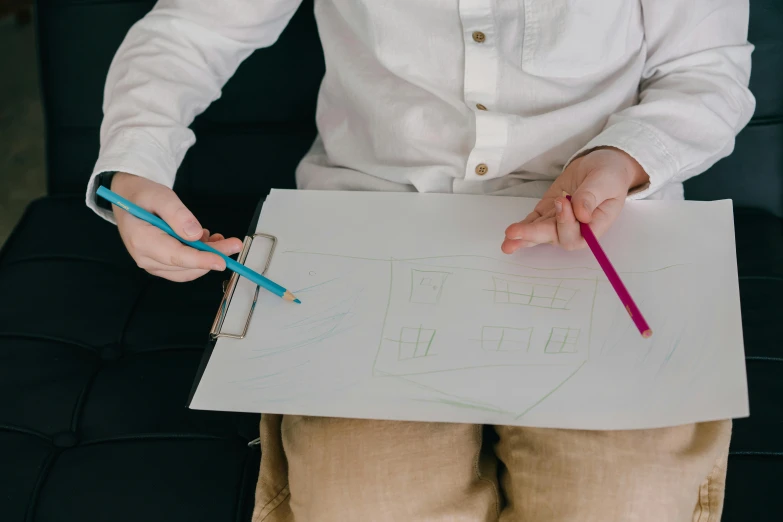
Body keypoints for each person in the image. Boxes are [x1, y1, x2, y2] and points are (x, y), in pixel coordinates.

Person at [85, 1, 756, 520]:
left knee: (620, 503)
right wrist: (135, 169)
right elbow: (190, 31)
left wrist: (623, 157)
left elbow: (706, 71)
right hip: (373, 224)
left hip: (608, 229)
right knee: (363, 503)